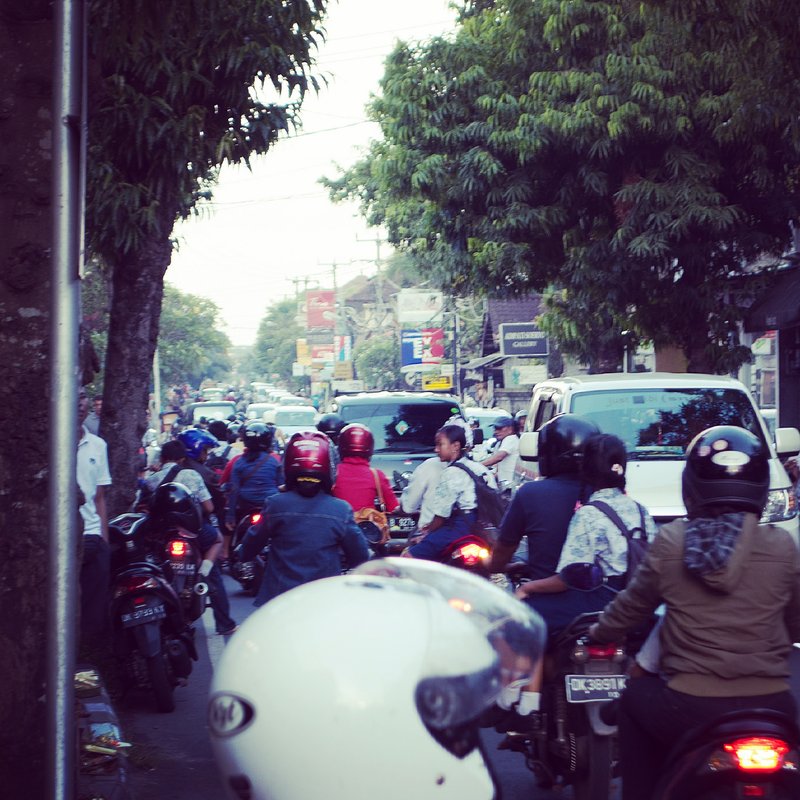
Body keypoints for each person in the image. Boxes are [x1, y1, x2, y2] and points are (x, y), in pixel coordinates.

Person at [586, 426, 800, 800]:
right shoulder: (783, 545)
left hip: (688, 707)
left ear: (692, 487)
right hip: (772, 704)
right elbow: (796, 620)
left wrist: (599, 634)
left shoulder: (673, 541)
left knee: (635, 699)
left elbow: (631, 609)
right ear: (762, 487)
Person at [504, 433, 657, 722]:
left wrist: (528, 589)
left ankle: (524, 703)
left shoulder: (589, 513)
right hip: (637, 606)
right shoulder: (640, 510)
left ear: (586, 471)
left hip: (596, 602)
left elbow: (569, 577)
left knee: (525, 619)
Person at [238, 431, 370, 607]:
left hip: (279, 599)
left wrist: (244, 555)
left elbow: (250, 545)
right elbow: (360, 555)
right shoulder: (341, 509)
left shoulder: (275, 504)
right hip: (324, 599)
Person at [490, 414, 600, 581]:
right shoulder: (609, 494)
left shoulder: (530, 493)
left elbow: (502, 553)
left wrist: (493, 566)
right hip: (609, 600)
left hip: (547, 601)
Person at [147, 440, 237, 635]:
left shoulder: (152, 479)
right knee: (217, 542)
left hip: (162, 535)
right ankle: (224, 622)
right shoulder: (192, 475)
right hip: (193, 533)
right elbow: (209, 508)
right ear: (182, 459)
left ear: (162, 459)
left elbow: (144, 507)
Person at [404, 424, 497, 561]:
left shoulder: (451, 472)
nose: (436, 449)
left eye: (440, 445)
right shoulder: (479, 468)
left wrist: (427, 533)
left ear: (455, 446)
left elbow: (441, 514)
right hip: (483, 529)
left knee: (408, 556)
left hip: (459, 528)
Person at [77, 387, 112, 642]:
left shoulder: (98, 445)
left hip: (91, 536)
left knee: (92, 615)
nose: (80, 403)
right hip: (60, 540)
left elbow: (99, 497)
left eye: (83, 396)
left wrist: (104, 541)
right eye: (74, 396)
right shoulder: (46, 443)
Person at [224, 421, 282, 532]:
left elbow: (234, 490)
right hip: (270, 505)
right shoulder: (274, 461)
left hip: (246, 505)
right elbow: (281, 486)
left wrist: (230, 516)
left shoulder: (239, 462)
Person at [332, 423, 399, 518]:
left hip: (338, 527)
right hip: (366, 529)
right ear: (370, 448)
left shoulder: (333, 473)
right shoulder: (376, 475)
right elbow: (393, 507)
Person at [480, 415, 519, 492]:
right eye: (495, 428)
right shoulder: (500, 443)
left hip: (510, 486)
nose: (496, 431)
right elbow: (499, 469)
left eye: (499, 428)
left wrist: (476, 466)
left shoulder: (511, 439)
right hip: (505, 486)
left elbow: (498, 457)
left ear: (510, 429)